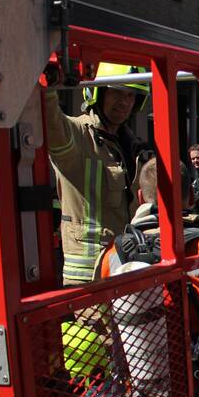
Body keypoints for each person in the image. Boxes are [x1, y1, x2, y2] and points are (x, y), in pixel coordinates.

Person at [96, 157, 199, 387]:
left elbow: (112, 323)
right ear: (191, 195)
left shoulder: (111, 256)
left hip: (150, 389)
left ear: (140, 197)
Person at [44, 62, 149, 285]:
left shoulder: (130, 147)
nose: (125, 101)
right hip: (88, 276)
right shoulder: (77, 134)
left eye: (131, 95)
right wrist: (48, 84)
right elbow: (50, 117)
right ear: (96, 93)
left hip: (123, 264)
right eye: (117, 92)